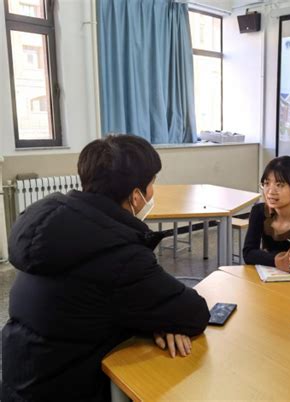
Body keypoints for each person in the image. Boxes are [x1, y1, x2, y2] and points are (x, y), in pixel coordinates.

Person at [2, 134, 210, 402]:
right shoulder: (119, 255)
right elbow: (193, 313)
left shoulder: (52, 229)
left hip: (22, 383)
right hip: (70, 390)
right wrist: (160, 320)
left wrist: (153, 315)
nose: (152, 193)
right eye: (151, 185)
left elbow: (94, 303)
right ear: (136, 197)